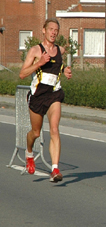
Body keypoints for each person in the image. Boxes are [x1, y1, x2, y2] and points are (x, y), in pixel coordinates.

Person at [19, 18, 72, 183]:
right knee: (35, 132)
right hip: (38, 96)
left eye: (56, 30)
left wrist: (67, 70)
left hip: (54, 94)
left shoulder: (60, 50)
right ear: (43, 30)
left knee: (54, 129)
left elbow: (60, 64)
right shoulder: (35, 50)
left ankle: (55, 169)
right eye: (50, 29)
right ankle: (29, 153)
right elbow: (22, 74)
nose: (53, 32)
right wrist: (39, 63)